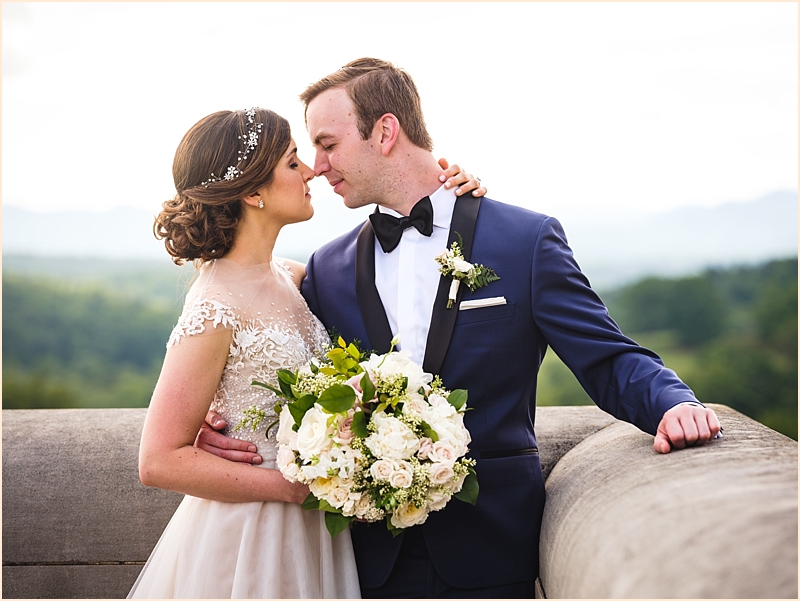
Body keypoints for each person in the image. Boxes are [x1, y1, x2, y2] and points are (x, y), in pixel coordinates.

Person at [199, 59, 721, 598]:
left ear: (384, 132)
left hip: (489, 552)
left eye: (327, 144)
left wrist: (673, 404)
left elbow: (607, 356)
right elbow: (283, 367)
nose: (317, 165)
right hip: (361, 560)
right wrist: (220, 417)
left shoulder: (524, 241)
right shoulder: (327, 270)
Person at [128, 106, 486, 599]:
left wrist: (449, 186)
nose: (312, 169)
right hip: (251, 537)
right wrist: (295, 488)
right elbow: (158, 460)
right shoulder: (214, 304)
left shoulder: (292, 275)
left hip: (314, 535)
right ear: (253, 192)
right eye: (293, 161)